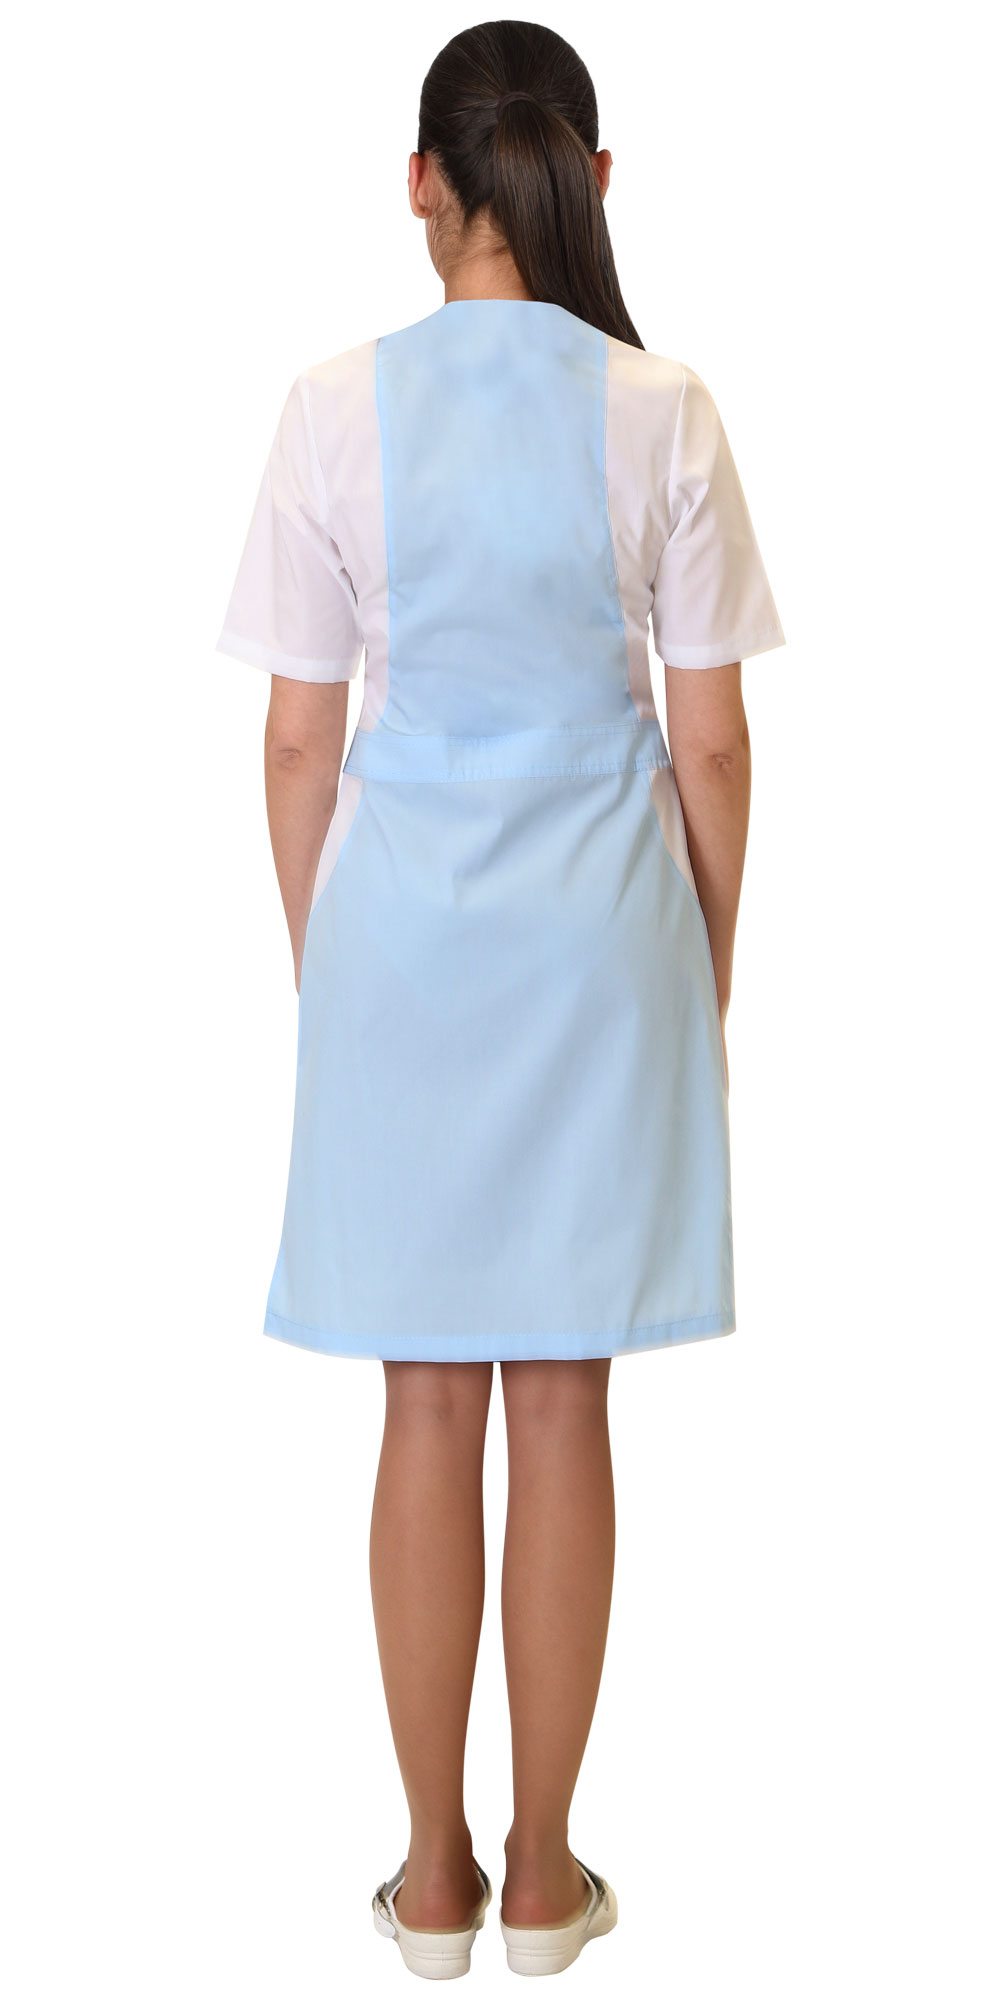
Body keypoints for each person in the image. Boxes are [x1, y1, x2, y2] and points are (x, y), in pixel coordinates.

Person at [216, 18, 785, 1981]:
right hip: (600, 939)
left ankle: (433, 1876)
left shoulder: (326, 408)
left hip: (400, 944)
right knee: (560, 1397)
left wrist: (332, 971)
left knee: (422, 1397)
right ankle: (547, 1878)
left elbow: (300, 743)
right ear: (591, 183)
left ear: (417, 184)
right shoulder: (664, 408)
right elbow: (711, 749)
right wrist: (698, 979)